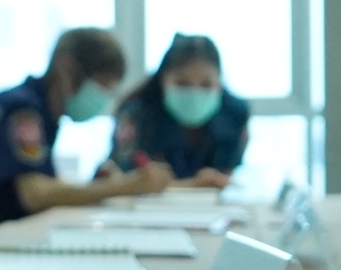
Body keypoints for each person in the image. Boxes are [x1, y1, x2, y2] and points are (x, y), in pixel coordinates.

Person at [0, 27, 171, 252]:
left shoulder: (42, 114)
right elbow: (35, 195)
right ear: (67, 68)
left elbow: (37, 190)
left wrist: (95, 187)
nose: (106, 97)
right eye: (102, 84)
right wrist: (125, 186)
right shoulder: (20, 112)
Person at [105, 34, 249, 187]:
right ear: (162, 81)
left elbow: (225, 176)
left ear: (219, 84)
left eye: (206, 85)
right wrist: (193, 185)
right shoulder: (135, 116)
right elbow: (127, 182)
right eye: (182, 84)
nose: (194, 94)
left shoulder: (235, 115)